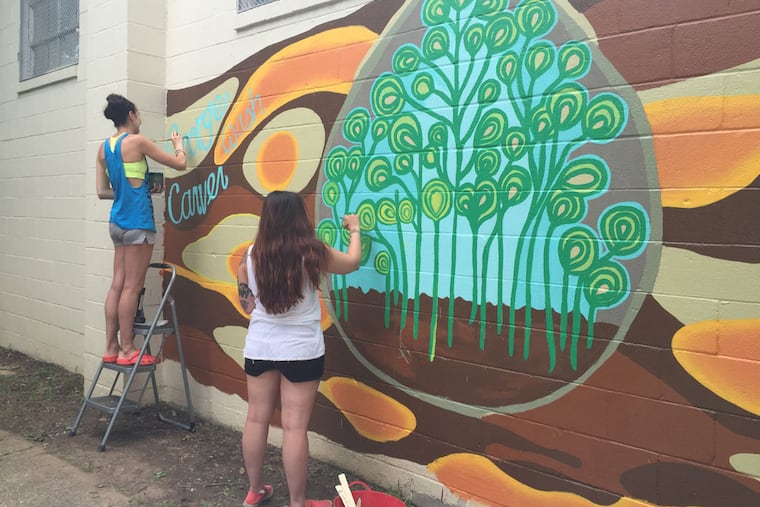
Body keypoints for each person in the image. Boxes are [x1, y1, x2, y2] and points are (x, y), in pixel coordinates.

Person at [237, 191, 361, 507]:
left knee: (255, 419)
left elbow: (248, 305)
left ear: (267, 219)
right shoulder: (314, 253)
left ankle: (254, 491)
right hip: (301, 352)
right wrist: (355, 230)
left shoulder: (249, 256)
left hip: (261, 348)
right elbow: (353, 262)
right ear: (299, 218)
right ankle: (297, 501)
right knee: (294, 428)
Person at [95, 93, 187, 366]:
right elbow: (179, 164)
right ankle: (127, 349)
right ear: (131, 115)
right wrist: (178, 145)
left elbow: (102, 192)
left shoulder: (103, 148)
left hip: (117, 223)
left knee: (117, 285)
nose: (141, 119)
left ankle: (111, 347)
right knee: (132, 287)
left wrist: (128, 191)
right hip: (137, 222)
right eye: (139, 114)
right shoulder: (137, 142)